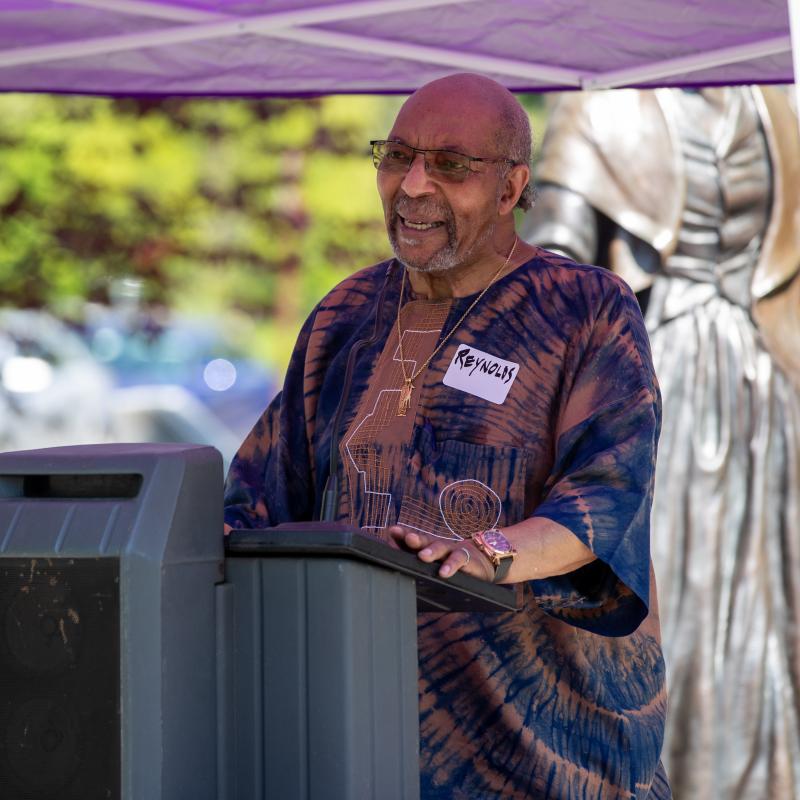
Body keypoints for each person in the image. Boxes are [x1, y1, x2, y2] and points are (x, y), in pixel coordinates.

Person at [224, 73, 671, 799]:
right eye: (397, 156)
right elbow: (260, 491)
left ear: (511, 187)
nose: (414, 185)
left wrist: (484, 551)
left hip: (543, 747)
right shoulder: (347, 314)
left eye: (452, 166)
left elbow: (602, 499)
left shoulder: (585, 311)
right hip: (364, 731)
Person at [522, 86, 800, 800]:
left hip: (768, 391)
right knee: (673, 586)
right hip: (655, 376)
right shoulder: (601, 103)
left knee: (767, 603)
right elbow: (554, 271)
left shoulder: (778, 96)